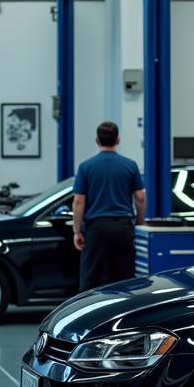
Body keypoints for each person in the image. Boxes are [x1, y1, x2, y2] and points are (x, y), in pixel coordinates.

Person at [72, 121, 146, 290]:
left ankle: (89, 314)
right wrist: (140, 224)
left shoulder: (86, 167)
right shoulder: (130, 165)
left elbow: (78, 201)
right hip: (123, 227)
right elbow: (140, 198)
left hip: (96, 228)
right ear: (117, 140)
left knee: (90, 278)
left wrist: (77, 231)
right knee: (125, 280)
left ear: (97, 141)